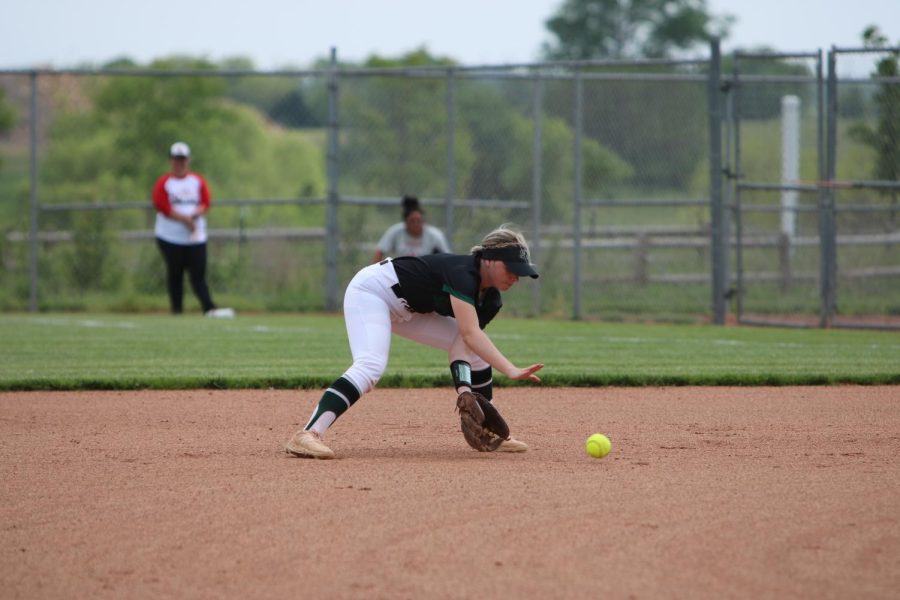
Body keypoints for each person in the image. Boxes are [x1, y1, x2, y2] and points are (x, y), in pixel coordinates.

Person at [286, 225, 544, 459]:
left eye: (520, 272)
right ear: (489, 260)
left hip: (410, 311)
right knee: (371, 365)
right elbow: (470, 334)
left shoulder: (491, 301)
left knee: (478, 354)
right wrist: (510, 369)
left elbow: (463, 345)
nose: (515, 277)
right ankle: (308, 434)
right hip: (372, 292)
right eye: (511, 268)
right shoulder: (463, 273)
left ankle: (489, 429)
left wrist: (464, 390)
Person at [151, 141, 234, 318]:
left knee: (198, 274)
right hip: (170, 236)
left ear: (187, 160)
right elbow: (162, 206)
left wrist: (195, 215)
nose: (179, 163)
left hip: (195, 236)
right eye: (176, 159)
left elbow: (205, 202)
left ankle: (209, 308)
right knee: (175, 274)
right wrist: (184, 219)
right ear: (170, 160)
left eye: (182, 159)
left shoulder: (196, 180)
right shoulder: (164, 183)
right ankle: (177, 311)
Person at [372, 195, 451, 263]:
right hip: (401, 274)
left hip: (426, 275)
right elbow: (379, 252)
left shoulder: (434, 235)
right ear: (406, 222)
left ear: (423, 221)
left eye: (418, 221)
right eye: (412, 221)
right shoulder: (396, 232)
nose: (416, 224)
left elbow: (448, 258)